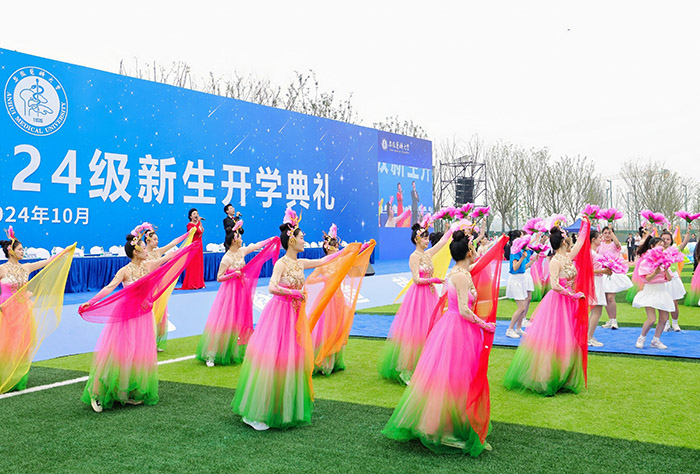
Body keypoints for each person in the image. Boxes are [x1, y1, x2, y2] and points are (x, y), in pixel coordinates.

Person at [382, 230, 506, 456]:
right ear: (468, 252)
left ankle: (454, 420)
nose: (474, 250)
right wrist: (485, 325)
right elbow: (465, 310)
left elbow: (480, 264)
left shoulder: (461, 272)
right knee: (454, 376)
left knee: (459, 376)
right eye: (472, 247)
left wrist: (495, 244)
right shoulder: (459, 276)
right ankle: (442, 425)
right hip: (458, 329)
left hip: (460, 328)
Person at [231, 210, 336, 430]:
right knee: (273, 360)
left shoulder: (301, 263)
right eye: (302, 238)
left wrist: (352, 251)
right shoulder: (281, 263)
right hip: (279, 315)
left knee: (291, 360)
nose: (304, 241)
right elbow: (271, 287)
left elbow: (324, 259)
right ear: (292, 240)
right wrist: (292, 293)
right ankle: (258, 412)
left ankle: (280, 407)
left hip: (295, 317)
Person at [79, 228, 197, 412]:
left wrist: (190, 246)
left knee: (137, 355)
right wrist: (91, 301)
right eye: (143, 247)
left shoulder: (148, 266)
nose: (146, 250)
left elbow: (169, 257)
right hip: (127, 315)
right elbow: (109, 288)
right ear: (136, 251)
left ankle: (125, 392)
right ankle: (97, 393)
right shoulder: (125, 271)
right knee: (118, 354)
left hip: (143, 315)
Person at [504, 220, 593, 396]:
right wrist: (573, 295)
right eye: (568, 239)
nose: (571, 242)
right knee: (554, 339)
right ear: (564, 242)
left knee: (569, 340)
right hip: (558, 302)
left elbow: (581, 242)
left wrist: (586, 224)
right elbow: (554, 285)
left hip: (569, 302)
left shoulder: (568, 257)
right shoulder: (555, 261)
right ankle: (546, 376)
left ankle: (563, 376)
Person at [378, 222, 452, 385]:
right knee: (415, 332)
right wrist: (433, 280)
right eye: (425, 238)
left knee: (428, 330)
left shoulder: (427, 254)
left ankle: (422, 368)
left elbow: (441, 243)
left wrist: (451, 229)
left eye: (427, 238)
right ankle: (406, 370)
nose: (427, 241)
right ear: (417, 239)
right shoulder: (414, 256)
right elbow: (416, 279)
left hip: (430, 295)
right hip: (419, 297)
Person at [196, 222, 279, 367]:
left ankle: (232, 351)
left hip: (241, 290)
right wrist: (233, 274)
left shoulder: (241, 251)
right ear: (234, 241)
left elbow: (255, 246)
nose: (241, 239)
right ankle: (211, 354)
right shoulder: (226, 258)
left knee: (237, 322)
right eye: (239, 237)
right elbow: (219, 277)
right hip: (229, 293)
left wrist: (270, 240)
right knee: (224, 322)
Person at [0, 229, 72, 393]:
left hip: (23, 309)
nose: (22, 251)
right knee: (6, 344)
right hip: (6, 309)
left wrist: (65, 252)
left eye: (22, 249)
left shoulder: (26, 267)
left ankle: (18, 377)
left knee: (23, 343)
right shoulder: (2, 269)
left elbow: (48, 261)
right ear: (11, 251)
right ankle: (5, 375)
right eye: (20, 249)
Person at [144, 227, 190, 352]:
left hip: (158, 286)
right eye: (154, 239)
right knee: (149, 315)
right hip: (147, 287)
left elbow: (173, 243)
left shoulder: (158, 252)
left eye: (157, 239)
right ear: (148, 240)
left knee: (160, 315)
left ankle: (155, 342)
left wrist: (187, 235)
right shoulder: (143, 254)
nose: (157, 242)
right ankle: (146, 342)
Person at [632, 237, 674, 349]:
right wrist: (655, 272)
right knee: (651, 319)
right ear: (652, 247)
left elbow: (669, 278)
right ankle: (641, 338)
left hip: (662, 290)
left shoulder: (664, 260)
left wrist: (666, 269)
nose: (662, 247)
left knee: (664, 318)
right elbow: (647, 279)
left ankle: (656, 340)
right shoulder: (646, 262)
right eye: (659, 245)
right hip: (650, 290)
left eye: (663, 245)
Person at [599, 227, 633, 330]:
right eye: (605, 233)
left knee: (610, 298)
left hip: (613, 272)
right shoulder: (600, 245)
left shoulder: (614, 244)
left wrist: (612, 231)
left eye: (609, 233)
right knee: (605, 298)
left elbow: (618, 244)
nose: (607, 235)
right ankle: (610, 319)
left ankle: (614, 320)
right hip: (603, 272)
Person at [505, 231, 536, 338]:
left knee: (523, 306)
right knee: (522, 307)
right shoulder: (515, 252)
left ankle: (518, 328)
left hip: (521, 279)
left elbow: (523, 268)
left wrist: (533, 260)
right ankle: (510, 329)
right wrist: (522, 258)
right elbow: (514, 268)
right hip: (515, 281)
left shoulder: (522, 251)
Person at [660, 227, 691, 331]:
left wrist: (687, 233)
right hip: (662, 279)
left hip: (673, 278)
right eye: (663, 239)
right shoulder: (657, 251)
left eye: (668, 239)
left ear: (671, 240)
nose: (665, 241)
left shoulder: (675, 250)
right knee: (663, 303)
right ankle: (666, 323)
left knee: (674, 303)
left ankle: (675, 323)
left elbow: (684, 243)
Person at [588, 230, 612, 347]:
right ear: (593, 239)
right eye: (599, 237)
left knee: (596, 311)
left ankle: (588, 336)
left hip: (597, 281)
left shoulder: (593, 252)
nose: (601, 239)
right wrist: (603, 271)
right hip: (594, 282)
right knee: (597, 311)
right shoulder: (590, 253)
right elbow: (586, 270)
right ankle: (589, 337)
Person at [180, 208, 205, 290]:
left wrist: (199, 223)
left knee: (199, 265)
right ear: (190, 216)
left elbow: (201, 232)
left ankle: (199, 283)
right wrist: (198, 223)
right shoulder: (189, 225)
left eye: (197, 213)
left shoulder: (199, 223)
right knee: (193, 265)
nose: (196, 215)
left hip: (199, 245)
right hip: (193, 246)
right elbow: (193, 231)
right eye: (194, 214)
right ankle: (192, 283)